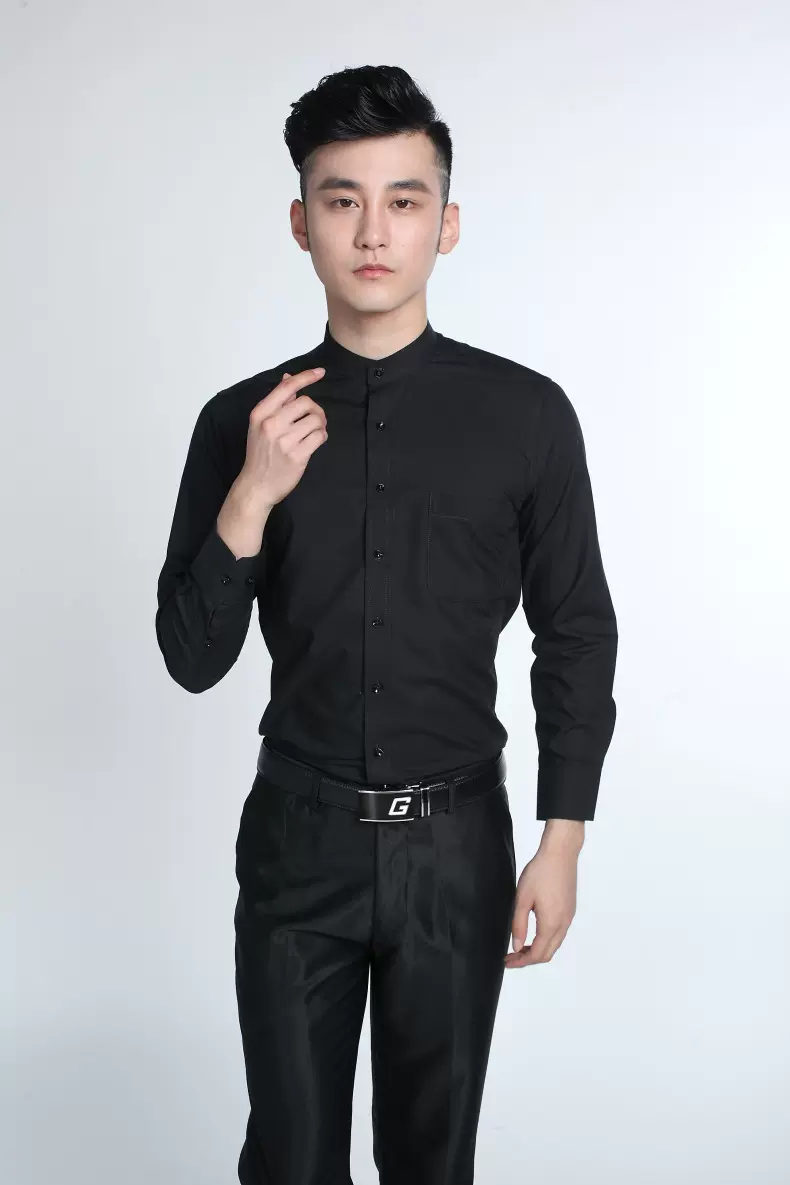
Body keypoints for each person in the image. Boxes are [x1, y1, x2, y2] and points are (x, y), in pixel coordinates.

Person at [155, 63, 618, 1185]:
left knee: (432, 1162)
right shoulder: (239, 423)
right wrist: (251, 495)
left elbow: (575, 632)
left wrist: (561, 841)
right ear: (300, 222)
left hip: (456, 851)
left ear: (445, 225)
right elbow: (192, 659)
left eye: (404, 200)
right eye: (342, 199)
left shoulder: (527, 416)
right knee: (291, 1160)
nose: (373, 231)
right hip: (296, 841)